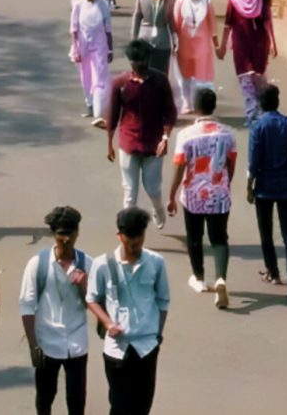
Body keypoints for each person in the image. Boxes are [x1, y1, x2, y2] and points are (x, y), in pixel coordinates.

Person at [85, 207, 173, 415]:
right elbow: (92, 299)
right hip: (117, 349)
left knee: (143, 406)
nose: (136, 244)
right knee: (120, 406)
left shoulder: (156, 263)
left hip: (147, 347)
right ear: (120, 236)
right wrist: (107, 323)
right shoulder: (103, 264)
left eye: (139, 237)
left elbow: (163, 300)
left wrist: (157, 333)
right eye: (130, 239)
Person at [166, 86, 237, 309]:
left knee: (195, 238)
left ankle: (198, 278)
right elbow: (230, 163)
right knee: (219, 238)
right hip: (219, 193)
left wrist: (172, 195)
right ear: (214, 106)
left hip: (194, 194)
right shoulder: (227, 134)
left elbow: (179, 167)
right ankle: (221, 279)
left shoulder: (186, 136)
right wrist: (225, 183)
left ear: (195, 108)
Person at [19, 205, 92, 415]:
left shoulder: (88, 263)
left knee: (77, 402)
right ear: (54, 234)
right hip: (46, 343)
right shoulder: (38, 264)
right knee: (44, 399)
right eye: (61, 234)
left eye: (70, 233)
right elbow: (26, 303)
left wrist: (85, 286)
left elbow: (98, 306)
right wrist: (33, 345)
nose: (66, 239)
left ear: (78, 232)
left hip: (77, 343)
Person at [104, 40, 174, 226]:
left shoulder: (160, 81)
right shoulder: (120, 83)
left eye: (142, 60)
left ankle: (158, 209)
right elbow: (112, 115)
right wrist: (110, 144)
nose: (139, 65)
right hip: (128, 143)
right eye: (135, 61)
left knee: (152, 188)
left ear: (148, 59)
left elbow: (170, 112)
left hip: (154, 144)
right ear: (130, 61)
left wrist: (165, 138)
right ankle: (128, 228)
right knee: (129, 192)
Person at [247, 83, 287, 301]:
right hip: (285, 185)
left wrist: (249, 187)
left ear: (261, 104)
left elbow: (253, 162)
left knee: (266, 230)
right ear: (278, 102)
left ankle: (273, 270)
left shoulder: (258, 127)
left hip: (263, 186)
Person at [220, 0, 278, 120]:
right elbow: (228, 22)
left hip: (259, 42)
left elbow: (267, 23)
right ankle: (251, 113)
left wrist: (273, 44)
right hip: (240, 41)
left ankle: (262, 110)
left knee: (258, 78)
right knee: (245, 76)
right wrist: (223, 46)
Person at [169, 0, 217, 115]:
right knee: (185, 76)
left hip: (202, 46)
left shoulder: (207, 1)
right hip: (185, 45)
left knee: (201, 77)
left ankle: (199, 103)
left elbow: (213, 24)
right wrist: (174, 42)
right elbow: (176, 23)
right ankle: (186, 103)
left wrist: (217, 45)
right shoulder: (181, 1)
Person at [71, 0, 114, 126]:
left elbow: (108, 29)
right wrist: (75, 48)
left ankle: (99, 113)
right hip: (83, 46)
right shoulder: (78, 6)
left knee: (99, 78)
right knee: (86, 77)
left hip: (100, 46)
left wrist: (110, 49)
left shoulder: (102, 4)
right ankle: (90, 104)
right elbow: (74, 29)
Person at [129, 0, 173, 80]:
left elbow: (172, 22)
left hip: (163, 40)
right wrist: (134, 41)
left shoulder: (169, 0)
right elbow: (136, 20)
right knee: (143, 72)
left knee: (161, 73)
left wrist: (175, 40)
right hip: (144, 40)